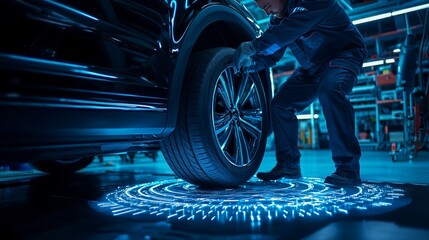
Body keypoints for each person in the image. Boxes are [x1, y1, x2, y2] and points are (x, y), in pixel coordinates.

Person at [232, 0, 367, 187]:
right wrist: (252, 64)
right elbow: (273, 52)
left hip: (342, 55)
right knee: (280, 104)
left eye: (267, 5)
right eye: (264, 9)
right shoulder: (278, 20)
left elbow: (285, 33)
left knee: (330, 91)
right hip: (312, 67)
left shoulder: (311, 2)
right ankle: (288, 165)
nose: (266, 13)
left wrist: (253, 47)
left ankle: (348, 169)